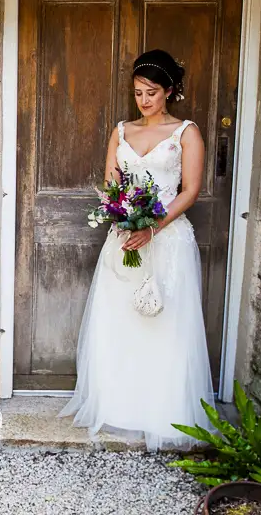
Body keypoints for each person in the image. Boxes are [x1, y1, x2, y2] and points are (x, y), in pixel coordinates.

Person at [57, 49, 217, 451]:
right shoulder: (121, 131)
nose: (143, 100)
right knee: (120, 318)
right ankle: (119, 404)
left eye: (151, 92)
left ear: (169, 92)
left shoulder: (186, 133)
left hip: (167, 241)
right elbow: (113, 184)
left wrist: (153, 228)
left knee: (165, 323)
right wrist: (121, 215)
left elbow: (191, 190)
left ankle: (162, 412)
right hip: (125, 238)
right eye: (138, 93)